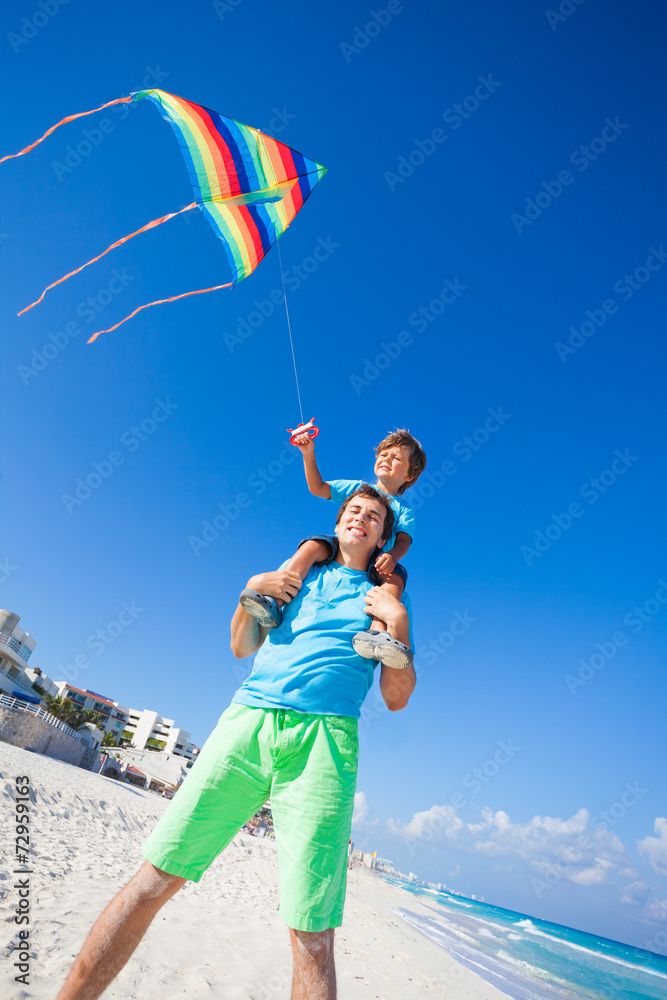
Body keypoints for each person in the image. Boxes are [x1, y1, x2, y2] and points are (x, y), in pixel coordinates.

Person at [55, 485, 416, 1000]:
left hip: (326, 744)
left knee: (312, 933)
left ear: (383, 536)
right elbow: (242, 644)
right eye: (354, 511)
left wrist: (399, 628)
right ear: (338, 523)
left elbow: (396, 698)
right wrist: (249, 590)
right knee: (155, 878)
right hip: (250, 720)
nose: (362, 518)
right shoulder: (300, 575)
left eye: (374, 516)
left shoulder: (384, 602)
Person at [240, 428, 426, 670]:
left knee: (397, 577)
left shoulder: (404, 509)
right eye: (383, 454)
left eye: (396, 458)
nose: (386, 459)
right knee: (313, 545)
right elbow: (317, 487)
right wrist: (308, 454)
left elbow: (403, 541)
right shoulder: (357, 488)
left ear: (409, 475)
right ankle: (275, 602)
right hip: (342, 547)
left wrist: (391, 555)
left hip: (377, 560)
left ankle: (377, 632)